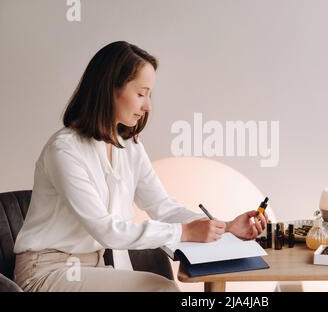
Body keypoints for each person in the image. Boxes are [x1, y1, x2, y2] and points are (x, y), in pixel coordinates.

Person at [13, 41, 268, 292]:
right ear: (110, 89)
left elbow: (162, 207)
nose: (148, 106)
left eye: (149, 94)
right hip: (46, 272)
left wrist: (225, 227)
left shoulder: (130, 147)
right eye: (141, 93)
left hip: (95, 268)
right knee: (162, 290)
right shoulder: (64, 150)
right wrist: (184, 231)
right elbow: (106, 230)